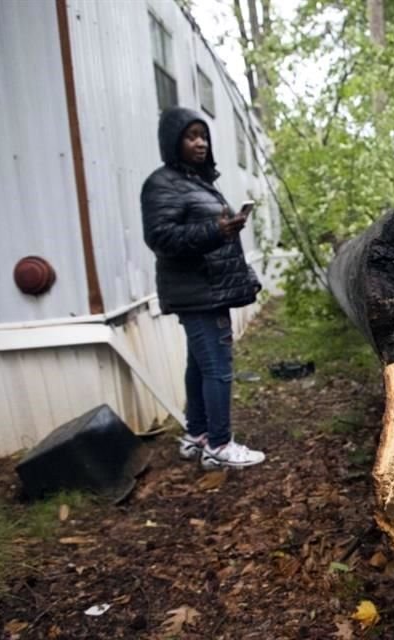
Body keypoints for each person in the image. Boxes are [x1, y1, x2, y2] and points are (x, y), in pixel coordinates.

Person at [141, 106, 265, 469]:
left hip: (209, 287)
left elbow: (211, 236)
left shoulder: (196, 181)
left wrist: (231, 242)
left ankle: (197, 435)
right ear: (173, 141)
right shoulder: (162, 184)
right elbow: (160, 237)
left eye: (204, 136)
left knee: (199, 365)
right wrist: (216, 231)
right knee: (218, 368)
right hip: (198, 292)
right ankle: (219, 445)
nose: (200, 143)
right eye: (191, 136)